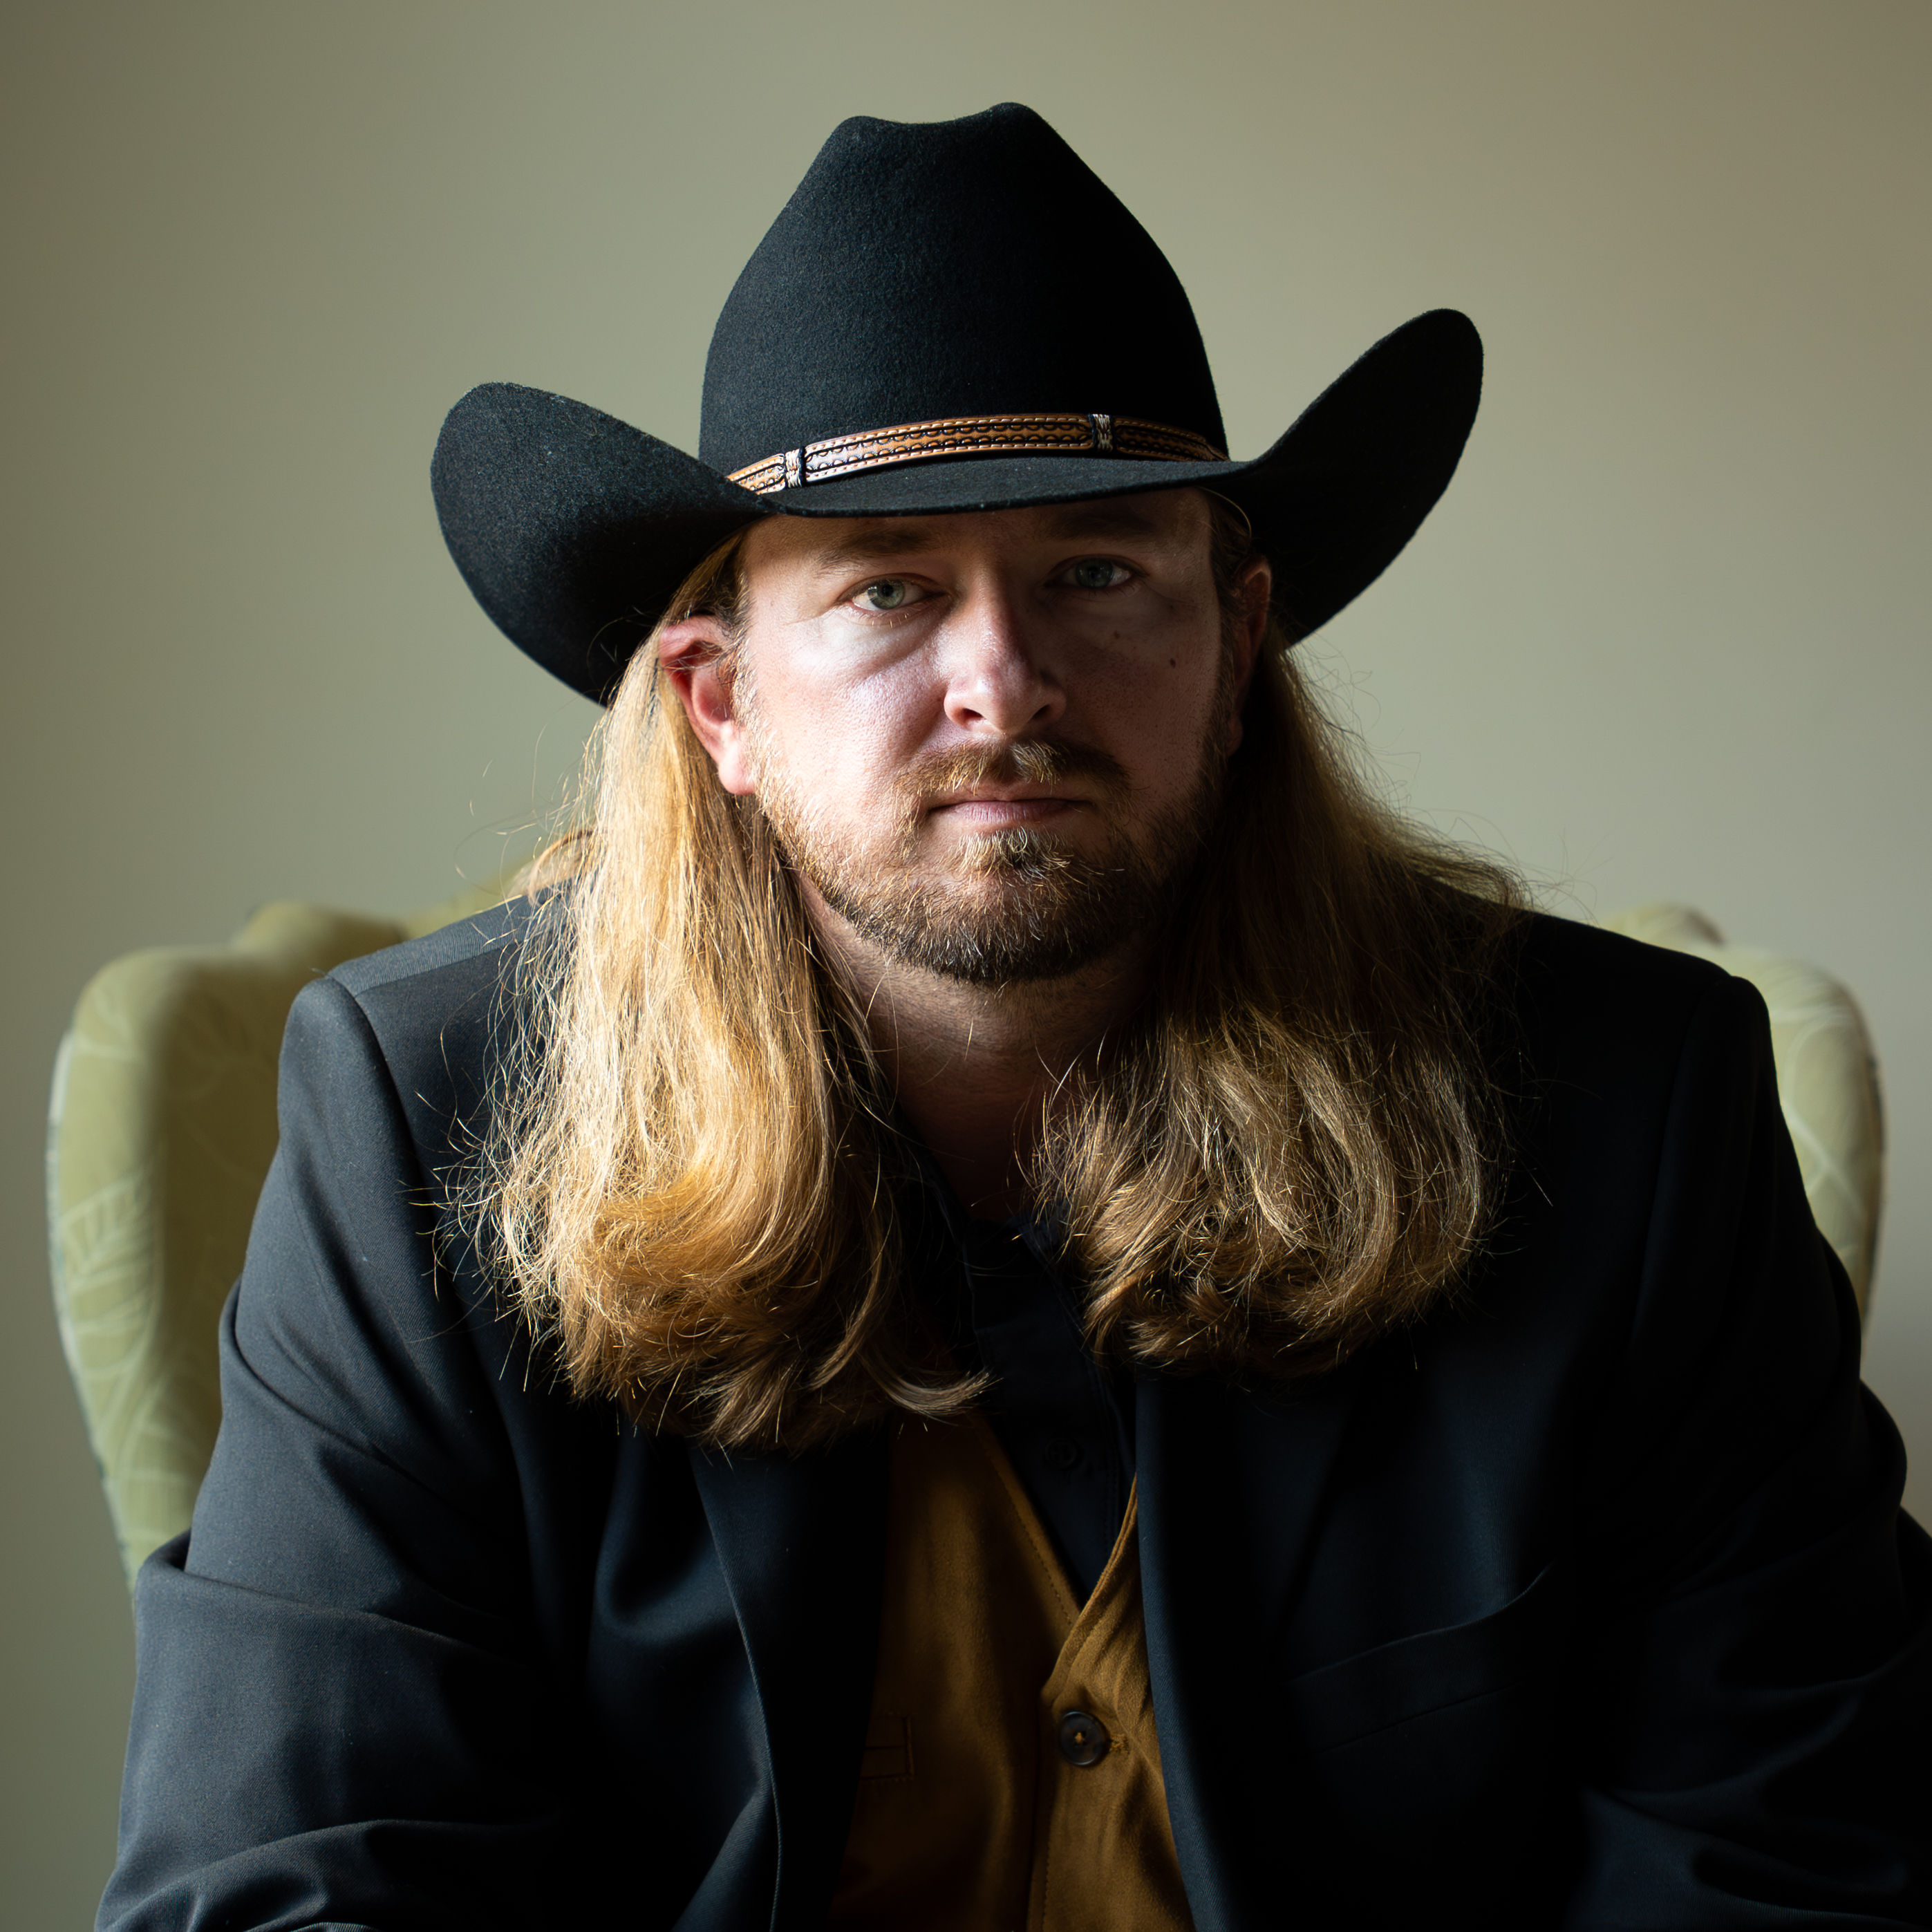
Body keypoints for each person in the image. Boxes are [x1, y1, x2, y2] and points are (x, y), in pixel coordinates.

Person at [102, 104, 1929, 1931]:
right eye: (890, 588)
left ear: (1236, 647)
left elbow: (1792, 1851)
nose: (1005, 682)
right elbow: (285, 1881)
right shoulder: (425, 1122)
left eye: (1098, 573)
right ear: (721, 703)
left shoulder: (1623, 1107)